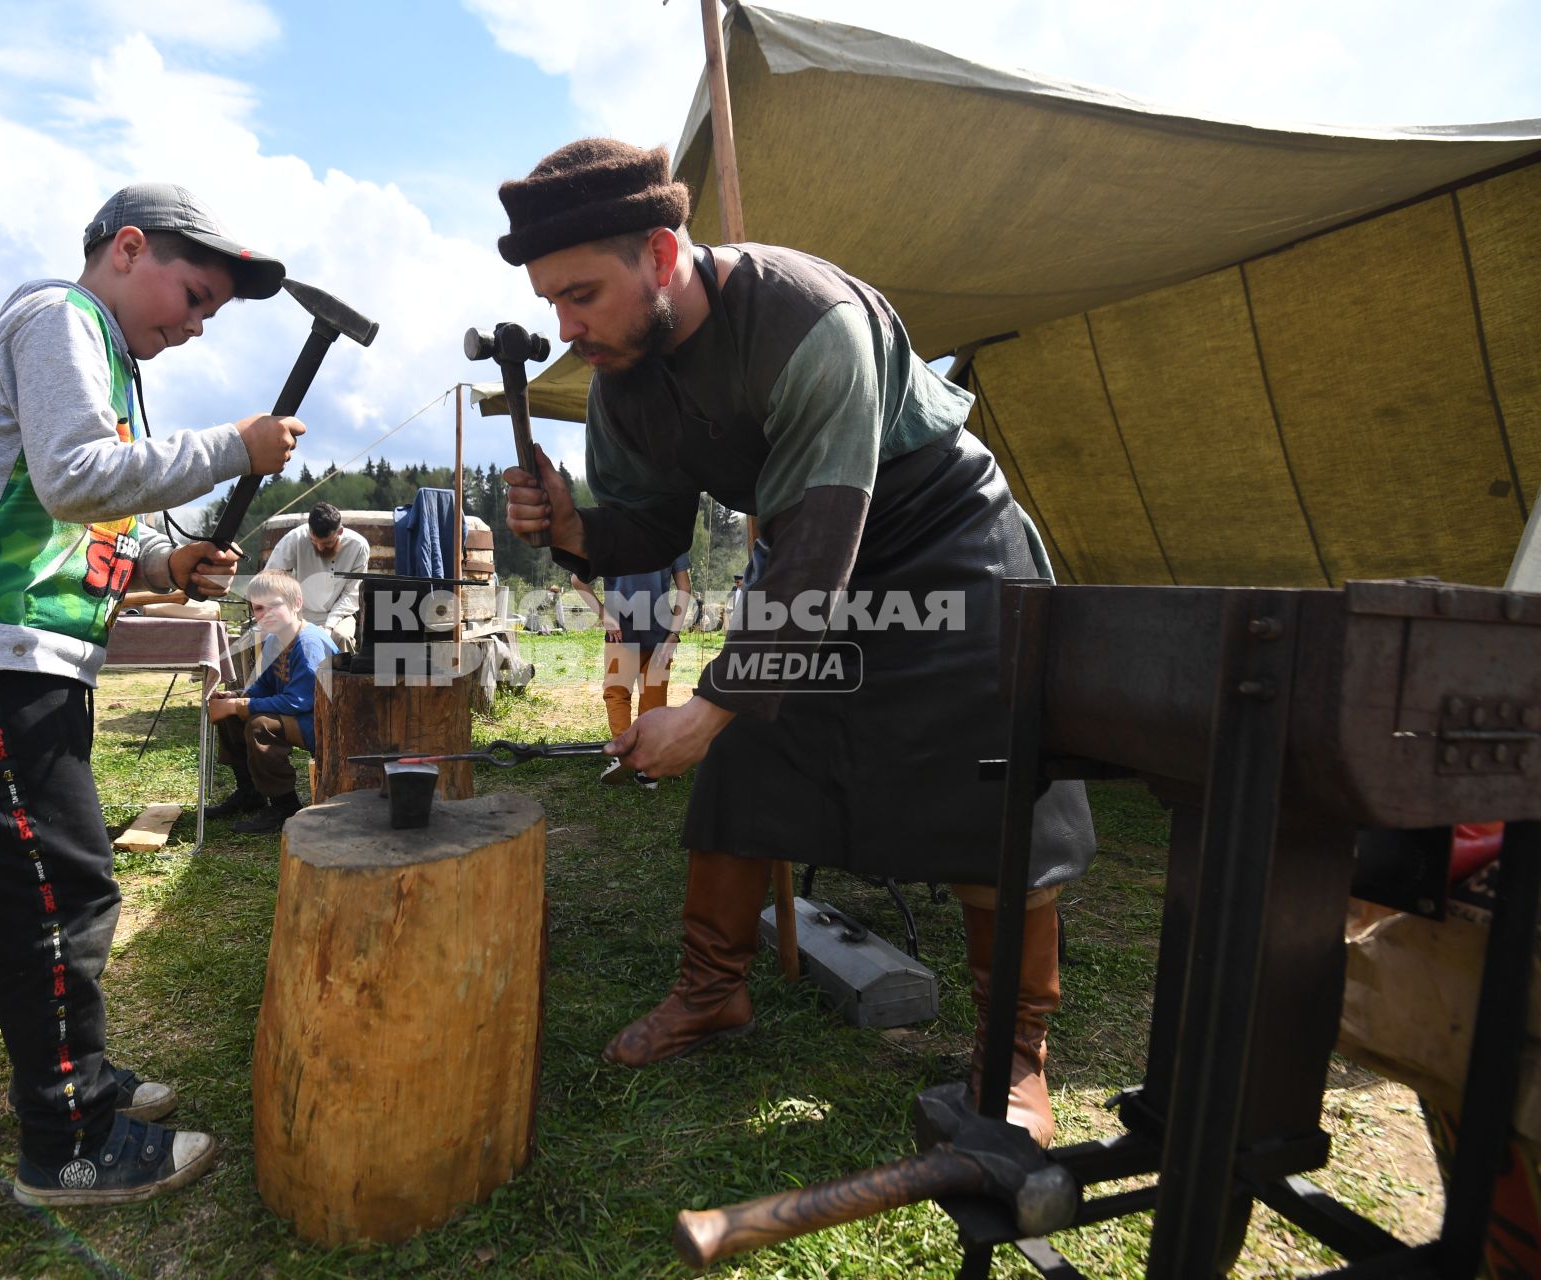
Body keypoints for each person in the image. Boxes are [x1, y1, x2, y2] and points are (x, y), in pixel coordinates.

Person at [494, 139, 1095, 1146]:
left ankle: (1014, 1052)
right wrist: (569, 528)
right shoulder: (622, 373)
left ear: (660, 249)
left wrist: (709, 705)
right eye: (553, 301)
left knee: (995, 788)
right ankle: (710, 990)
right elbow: (649, 530)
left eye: (582, 293)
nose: (568, 326)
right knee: (746, 758)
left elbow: (814, 546)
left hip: (945, 541)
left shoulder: (808, 321)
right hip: (815, 557)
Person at [0, 182, 306, 1205]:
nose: (193, 327)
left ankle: (82, 1077)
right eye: (192, 296)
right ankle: (69, 1141)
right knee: (53, 893)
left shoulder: (107, 359)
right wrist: (235, 447)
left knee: (61, 879)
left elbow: (82, 522)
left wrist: (165, 561)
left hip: (25, 649)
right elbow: (74, 475)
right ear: (127, 247)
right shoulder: (60, 317)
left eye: (208, 316)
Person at [204, 570, 337, 834]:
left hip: (327, 722)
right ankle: (249, 792)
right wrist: (237, 698)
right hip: (303, 715)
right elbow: (264, 686)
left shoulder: (308, 642)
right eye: (259, 608)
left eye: (275, 605)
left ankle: (283, 806)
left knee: (260, 725)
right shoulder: (275, 639)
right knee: (233, 714)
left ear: (297, 603)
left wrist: (241, 706)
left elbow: (299, 702)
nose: (266, 614)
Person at [570, 551, 691, 788]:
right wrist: (674, 634)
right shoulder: (671, 537)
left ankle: (623, 754)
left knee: (617, 693)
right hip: (660, 632)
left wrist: (604, 614)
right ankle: (649, 770)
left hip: (620, 631)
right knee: (653, 699)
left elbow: (577, 579)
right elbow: (684, 587)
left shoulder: (611, 537)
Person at [263, 501, 367, 651]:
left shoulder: (359, 547)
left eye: (327, 543)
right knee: (263, 636)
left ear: (340, 532)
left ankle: (340, 675)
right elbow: (270, 579)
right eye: (314, 541)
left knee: (342, 638)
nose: (319, 548)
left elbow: (351, 595)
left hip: (339, 615)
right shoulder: (296, 537)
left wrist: (329, 627)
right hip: (299, 613)